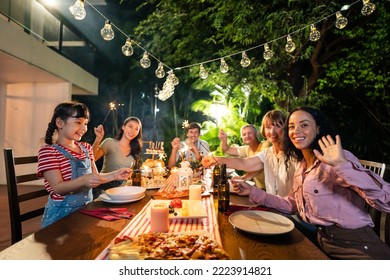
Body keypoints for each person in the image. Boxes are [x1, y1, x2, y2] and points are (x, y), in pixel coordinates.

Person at [233, 106, 390, 260]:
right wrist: (252, 192)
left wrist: (342, 165)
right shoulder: (303, 165)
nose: (296, 131)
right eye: (292, 126)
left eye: (304, 125)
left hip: (356, 246)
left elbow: (386, 201)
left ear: (318, 129)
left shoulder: (338, 159)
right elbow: (291, 204)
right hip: (321, 241)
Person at [37, 101, 131, 228]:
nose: (83, 128)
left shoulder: (86, 148)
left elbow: (95, 177)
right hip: (60, 217)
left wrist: (115, 175)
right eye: (78, 122)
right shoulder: (49, 151)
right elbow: (58, 188)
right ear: (60, 123)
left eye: (85, 123)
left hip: (86, 210)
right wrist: (84, 180)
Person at [202, 110, 299, 197]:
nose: (272, 131)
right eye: (268, 127)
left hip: (291, 211)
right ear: (264, 131)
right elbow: (243, 163)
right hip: (272, 205)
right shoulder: (267, 153)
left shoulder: (294, 154)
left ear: (286, 128)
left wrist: (244, 178)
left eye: (278, 126)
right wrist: (216, 159)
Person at [92, 116, 143, 198]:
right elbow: (92, 158)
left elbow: (128, 173)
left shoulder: (135, 149)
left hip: (121, 190)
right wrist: (98, 139)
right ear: (123, 127)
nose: (133, 131)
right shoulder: (109, 142)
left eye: (136, 129)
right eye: (130, 126)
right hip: (103, 187)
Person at [218, 124, 270, 189]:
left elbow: (261, 165)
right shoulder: (246, 149)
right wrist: (224, 140)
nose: (247, 136)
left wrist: (244, 177)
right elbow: (226, 150)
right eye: (244, 134)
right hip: (259, 189)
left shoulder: (265, 145)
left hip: (271, 190)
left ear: (256, 134)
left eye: (250, 133)